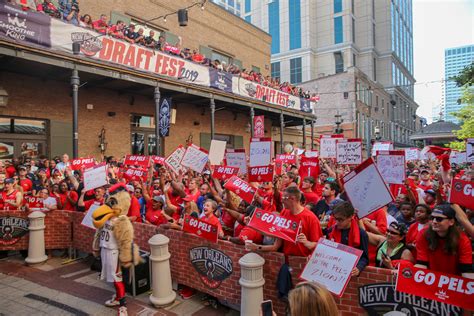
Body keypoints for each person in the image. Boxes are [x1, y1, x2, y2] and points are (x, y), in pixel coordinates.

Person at [247, 187, 322, 257]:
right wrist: (251, 225)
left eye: (284, 198)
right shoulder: (285, 212)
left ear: (293, 199)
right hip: (287, 261)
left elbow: (319, 245)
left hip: (303, 263)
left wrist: (307, 243)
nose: (282, 200)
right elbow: (275, 243)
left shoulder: (311, 218)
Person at [415, 204, 473, 277]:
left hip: (453, 281)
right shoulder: (423, 234)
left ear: (451, 222)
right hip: (430, 279)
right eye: (432, 218)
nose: (434, 221)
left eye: (439, 219)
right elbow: (421, 264)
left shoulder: (463, 240)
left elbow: (466, 270)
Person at [326, 201, 369, 276]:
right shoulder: (330, 231)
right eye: (335, 219)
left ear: (350, 217)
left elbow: (365, 258)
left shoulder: (361, 234)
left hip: (349, 273)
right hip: (332, 271)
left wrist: (359, 268)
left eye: (340, 220)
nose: (337, 222)